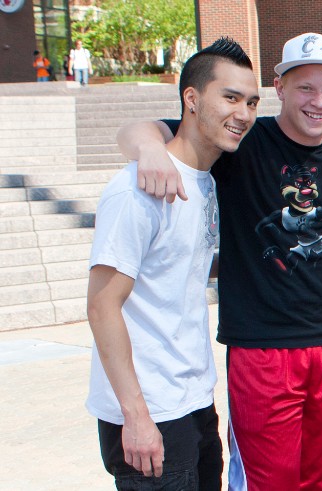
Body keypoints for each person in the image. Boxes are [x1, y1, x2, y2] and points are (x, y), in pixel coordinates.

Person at [116, 33, 322, 490]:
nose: (318, 101)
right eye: (305, 87)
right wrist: (149, 149)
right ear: (279, 87)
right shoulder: (240, 142)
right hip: (261, 349)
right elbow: (141, 130)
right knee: (268, 482)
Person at [85, 38, 259, 490]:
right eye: (231, 97)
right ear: (192, 99)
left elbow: (181, 266)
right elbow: (102, 305)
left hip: (194, 401)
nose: (243, 113)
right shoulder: (137, 189)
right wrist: (136, 416)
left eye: (251, 102)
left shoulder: (206, 181)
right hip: (149, 412)